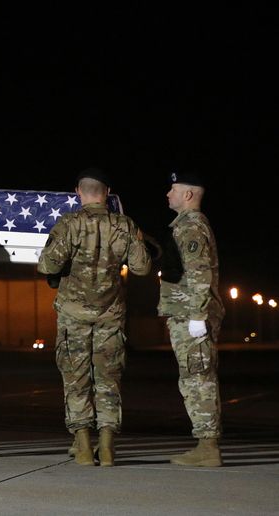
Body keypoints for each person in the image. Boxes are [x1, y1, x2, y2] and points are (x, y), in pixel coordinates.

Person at [37, 168, 151, 467]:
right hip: (110, 314)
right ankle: (108, 447)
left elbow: (47, 264)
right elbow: (141, 267)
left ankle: (84, 447)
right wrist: (136, 238)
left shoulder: (69, 224)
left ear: (78, 191)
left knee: (76, 380)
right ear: (107, 192)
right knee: (108, 380)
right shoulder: (124, 225)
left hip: (73, 314)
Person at [159, 172, 225, 467]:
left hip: (191, 314)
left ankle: (208, 447)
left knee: (199, 378)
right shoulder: (186, 225)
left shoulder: (191, 226)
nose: (167, 194)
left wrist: (198, 315)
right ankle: (205, 443)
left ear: (188, 195)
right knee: (194, 377)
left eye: (173, 189)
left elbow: (200, 272)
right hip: (186, 312)